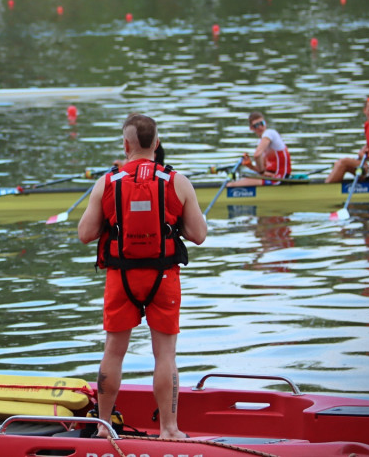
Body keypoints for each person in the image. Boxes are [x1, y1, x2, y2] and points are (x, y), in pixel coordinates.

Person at [77, 114, 207, 440]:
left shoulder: (108, 181)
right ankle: (169, 429)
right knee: (165, 354)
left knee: (113, 351)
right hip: (163, 277)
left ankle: (104, 427)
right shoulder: (177, 181)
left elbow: (85, 234)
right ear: (157, 144)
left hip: (121, 277)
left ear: (126, 144)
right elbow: (199, 235)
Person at [227, 111, 292, 187]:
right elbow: (263, 169)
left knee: (231, 185)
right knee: (242, 177)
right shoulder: (260, 143)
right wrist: (250, 166)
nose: (260, 127)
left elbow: (257, 155)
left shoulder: (270, 133)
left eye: (262, 123)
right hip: (271, 176)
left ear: (265, 123)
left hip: (279, 178)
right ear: (251, 128)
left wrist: (261, 173)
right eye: (256, 125)